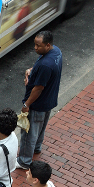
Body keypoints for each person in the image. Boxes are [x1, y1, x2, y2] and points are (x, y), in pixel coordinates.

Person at [16, 30, 62, 170]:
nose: (35, 48)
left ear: (47, 45)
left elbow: (38, 88)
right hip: (49, 100)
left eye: (38, 45)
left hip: (37, 103)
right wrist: (31, 71)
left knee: (29, 132)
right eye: (35, 44)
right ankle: (37, 148)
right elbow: (41, 70)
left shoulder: (45, 65)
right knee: (41, 127)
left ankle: (24, 160)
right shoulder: (56, 52)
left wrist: (26, 104)